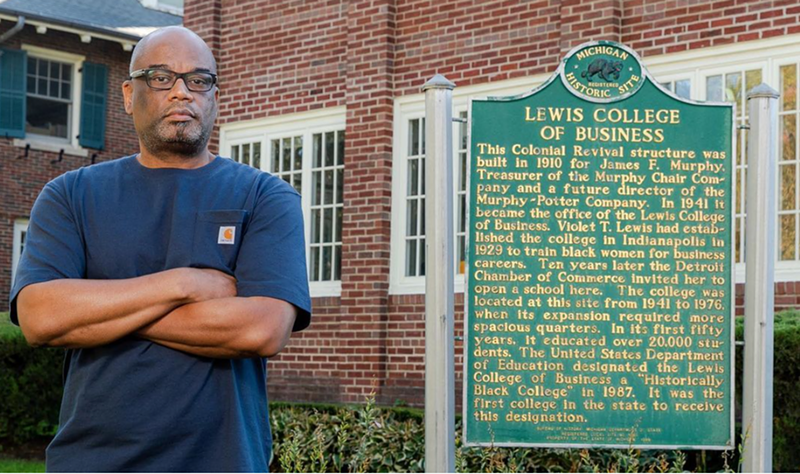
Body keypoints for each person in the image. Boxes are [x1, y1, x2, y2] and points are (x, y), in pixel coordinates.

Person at [9, 26, 311, 472]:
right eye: (162, 77)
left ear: (214, 97)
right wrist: (186, 282)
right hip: (90, 462)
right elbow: (40, 317)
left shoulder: (264, 196)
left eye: (199, 80)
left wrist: (100, 308)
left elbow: (261, 329)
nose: (181, 93)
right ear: (129, 94)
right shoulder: (70, 194)